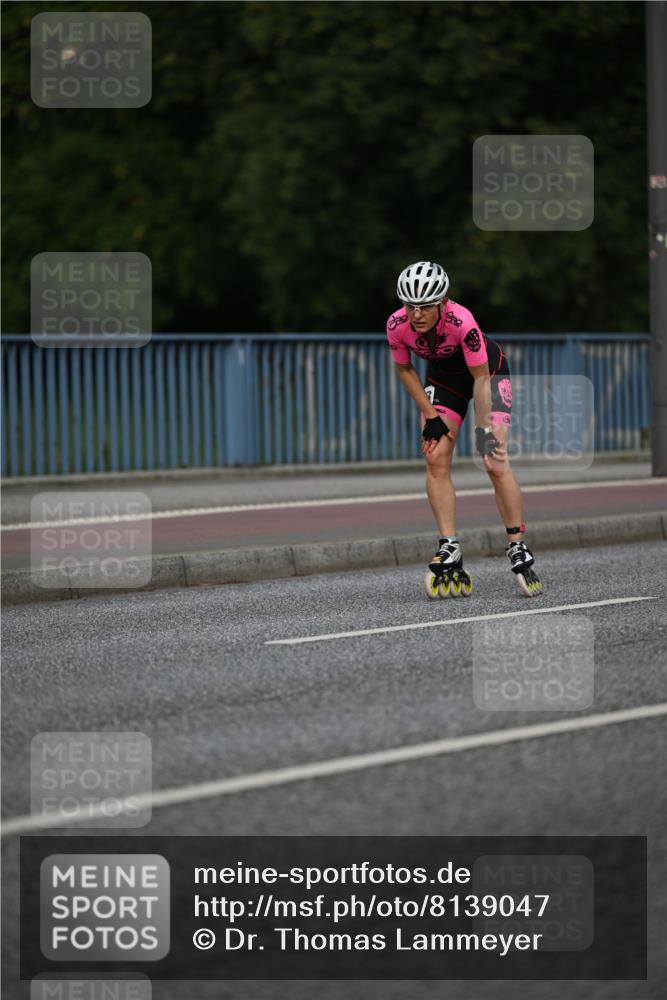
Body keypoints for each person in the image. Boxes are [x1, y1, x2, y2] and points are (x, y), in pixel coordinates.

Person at [386, 260, 543, 598]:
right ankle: (449, 544)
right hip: (444, 380)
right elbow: (404, 371)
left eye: (425, 305)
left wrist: (483, 430)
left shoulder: (463, 323)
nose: (416, 314)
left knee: (493, 459)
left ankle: (517, 543)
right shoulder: (396, 325)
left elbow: (481, 380)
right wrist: (431, 416)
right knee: (435, 456)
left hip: (488, 373)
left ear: (442, 303)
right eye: (409, 305)